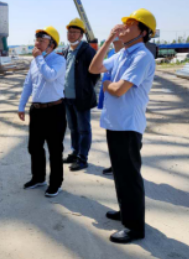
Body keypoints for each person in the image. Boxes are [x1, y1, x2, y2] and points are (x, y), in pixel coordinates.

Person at [89, 8, 156, 244]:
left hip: (128, 125)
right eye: (124, 24)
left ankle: (135, 227)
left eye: (130, 25)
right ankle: (125, 212)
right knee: (119, 174)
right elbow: (94, 68)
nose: (124, 28)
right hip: (115, 123)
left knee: (130, 177)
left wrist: (106, 85)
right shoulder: (122, 54)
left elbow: (118, 90)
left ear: (144, 32)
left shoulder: (142, 56)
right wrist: (108, 40)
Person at [18, 26, 67, 198]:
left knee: (55, 149)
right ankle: (38, 178)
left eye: (42, 40)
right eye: (36, 39)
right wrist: (21, 105)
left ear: (52, 43)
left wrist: (39, 58)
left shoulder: (58, 60)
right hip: (37, 110)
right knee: (34, 147)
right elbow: (28, 84)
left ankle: (56, 184)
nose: (37, 43)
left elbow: (50, 76)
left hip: (54, 110)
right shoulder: (34, 61)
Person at [62, 18, 100, 171]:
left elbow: (95, 73)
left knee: (84, 129)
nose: (71, 35)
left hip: (81, 97)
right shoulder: (66, 51)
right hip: (67, 97)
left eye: (74, 32)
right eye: (69, 32)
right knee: (73, 128)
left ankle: (83, 158)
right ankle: (75, 152)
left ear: (81, 34)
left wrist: (85, 88)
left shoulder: (87, 50)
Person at [97, 36, 125, 175]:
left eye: (117, 37)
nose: (115, 39)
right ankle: (114, 164)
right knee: (112, 136)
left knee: (123, 138)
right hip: (108, 96)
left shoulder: (127, 55)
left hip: (119, 97)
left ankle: (122, 165)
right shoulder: (111, 55)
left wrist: (108, 86)